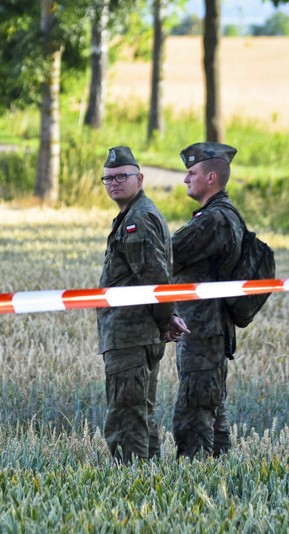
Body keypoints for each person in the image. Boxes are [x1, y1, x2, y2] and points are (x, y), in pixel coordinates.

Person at [97, 145, 189, 464]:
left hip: (131, 335)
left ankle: (131, 491)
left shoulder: (138, 218)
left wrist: (166, 320)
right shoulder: (135, 214)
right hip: (136, 334)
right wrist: (168, 317)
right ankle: (148, 483)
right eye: (108, 179)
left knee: (127, 419)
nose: (114, 183)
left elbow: (155, 279)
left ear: (140, 178)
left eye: (122, 176)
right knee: (140, 416)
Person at [170, 141, 245, 460]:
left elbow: (167, 254)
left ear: (211, 178)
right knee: (211, 410)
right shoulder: (220, 215)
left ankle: (196, 483)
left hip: (202, 330)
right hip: (205, 329)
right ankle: (221, 479)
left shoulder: (213, 220)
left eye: (192, 172)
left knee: (194, 412)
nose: (186, 179)